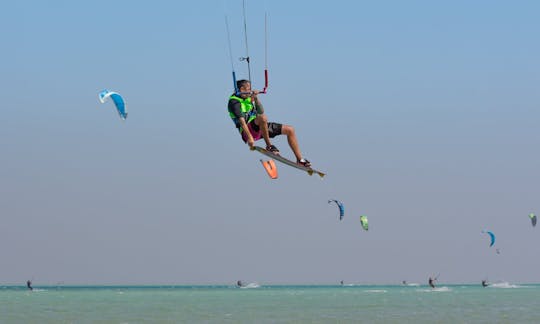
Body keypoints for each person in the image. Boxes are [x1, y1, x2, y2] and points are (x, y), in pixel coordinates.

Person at [228, 80, 311, 167]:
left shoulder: (248, 98)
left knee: (290, 130)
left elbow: (261, 111)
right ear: (242, 89)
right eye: (249, 89)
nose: (251, 90)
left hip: (260, 126)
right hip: (247, 131)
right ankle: (269, 146)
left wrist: (256, 99)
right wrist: (249, 138)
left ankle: (300, 159)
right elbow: (241, 121)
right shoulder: (234, 102)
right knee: (263, 118)